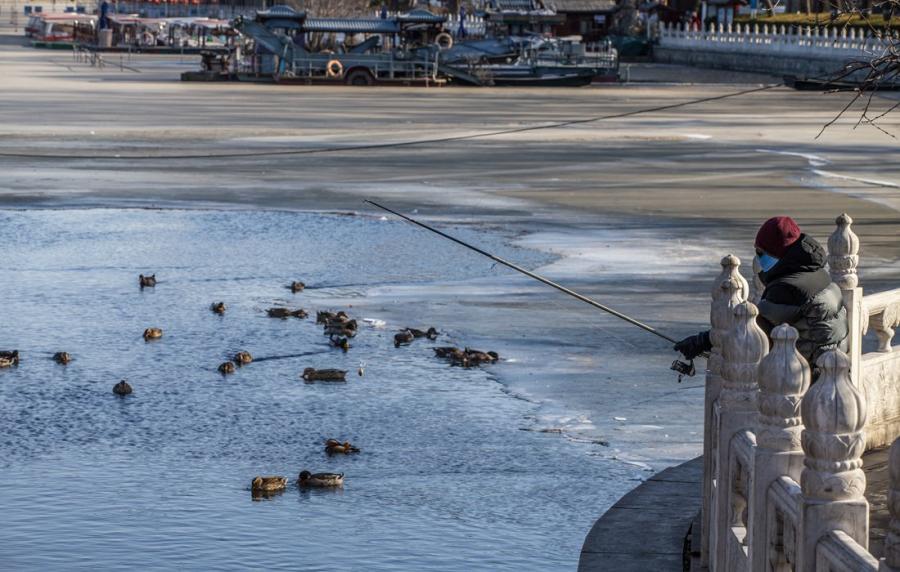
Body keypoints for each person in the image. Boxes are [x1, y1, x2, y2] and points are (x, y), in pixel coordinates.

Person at [674, 216, 848, 371]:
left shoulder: (786, 288)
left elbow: (750, 332)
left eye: (760, 253)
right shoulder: (817, 273)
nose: (758, 258)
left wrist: (703, 341)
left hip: (808, 379)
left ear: (778, 252)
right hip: (834, 368)